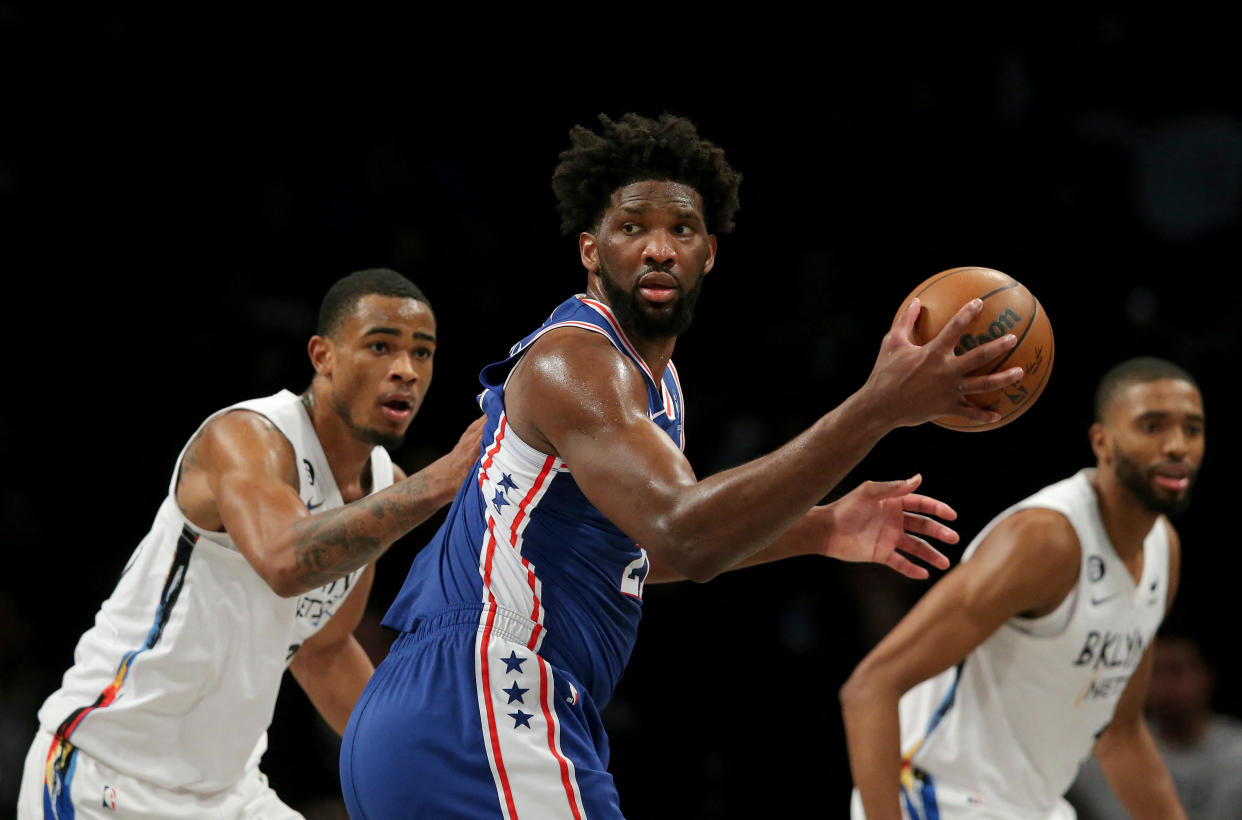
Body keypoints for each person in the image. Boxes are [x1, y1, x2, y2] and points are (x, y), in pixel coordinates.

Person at [337, 113, 1026, 819]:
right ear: (591, 251)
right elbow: (683, 534)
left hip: (438, 709)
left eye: (682, 230)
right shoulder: (577, 361)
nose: (658, 248)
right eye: (632, 228)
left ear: (710, 254)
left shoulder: (654, 385)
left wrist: (820, 528)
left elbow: (627, 551)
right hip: (485, 694)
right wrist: (878, 407)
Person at [17, 268, 484, 819]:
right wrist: (444, 479)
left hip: (228, 795)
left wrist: (434, 761)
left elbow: (323, 650)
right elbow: (285, 560)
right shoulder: (246, 437)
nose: (404, 370)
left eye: (422, 353)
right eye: (380, 346)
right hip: (104, 776)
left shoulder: (385, 487)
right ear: (323, 355)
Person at [840, 356, 1206, 819]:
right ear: (1103, 442)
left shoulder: (1161, 549)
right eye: (1152, 426)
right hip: (937, 799)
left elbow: (1121, 733)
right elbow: (870, 687)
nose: (1177, 446)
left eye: (1192, 429)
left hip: (1032, 807)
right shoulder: (1045, 541)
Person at [1067, 630, 1242, 820]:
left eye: (1177, 671)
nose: (1166, 686)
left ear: (1206, 675)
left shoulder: (1236, 754)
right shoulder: (1099, 757)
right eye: (1155, 673)